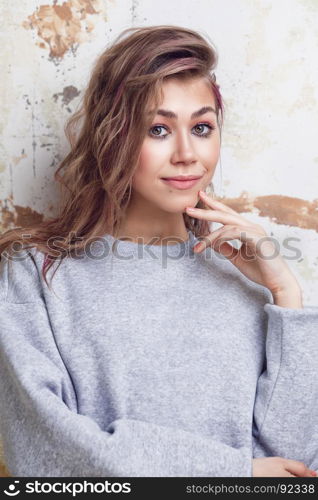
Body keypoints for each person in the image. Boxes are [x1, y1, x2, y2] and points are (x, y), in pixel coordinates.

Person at [0, 25, 317, 478]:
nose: (188, 153)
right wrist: (233, 473)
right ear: (115, 136)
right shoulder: (37, 273)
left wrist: (286, 292)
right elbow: (46, 459)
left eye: (202, 127)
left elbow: (296, 466)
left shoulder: (249, 279)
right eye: (159, 129)